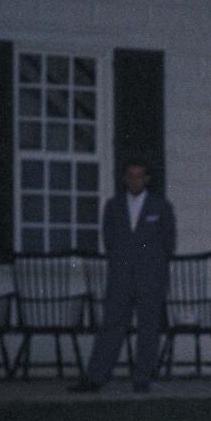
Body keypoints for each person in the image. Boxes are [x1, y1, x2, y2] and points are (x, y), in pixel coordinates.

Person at [70, 159, 175, 394]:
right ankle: (96, 377)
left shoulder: (160, 207)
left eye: (139, 176)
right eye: (130, 175)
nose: (135, 180)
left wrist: (152, 268)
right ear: (125, 179)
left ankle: (142, 379)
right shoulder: (114, 206)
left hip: (150, 278)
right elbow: (109, 240)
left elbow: (168, 243)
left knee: (148, 329)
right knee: (112, 326)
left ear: (146, 179)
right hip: (121, 277)